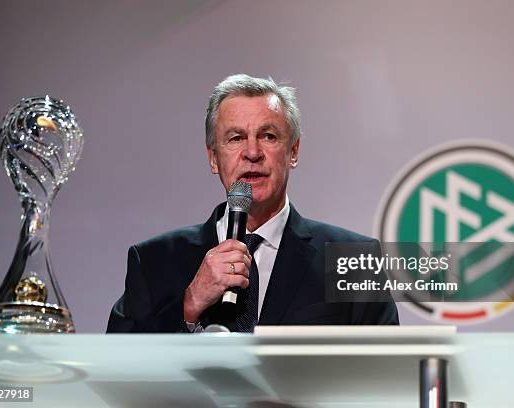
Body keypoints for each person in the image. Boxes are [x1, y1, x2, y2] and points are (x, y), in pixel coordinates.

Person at [107, 74, 398, 333]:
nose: (252, 152)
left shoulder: (354, 261)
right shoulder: (154, 261)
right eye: (235, 138)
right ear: (213, 158)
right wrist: (189, 306)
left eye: (268, 136)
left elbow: (387, 374)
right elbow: (116, 370)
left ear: (293, 152)